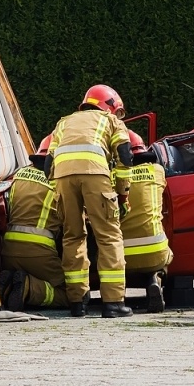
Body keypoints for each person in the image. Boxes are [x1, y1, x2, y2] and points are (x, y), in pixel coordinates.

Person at [48, 85, 135, 318]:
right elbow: (125, 158)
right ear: (109, 105)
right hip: (96, 174)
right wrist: (123, 194)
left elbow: (48, 164)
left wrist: (59, 191)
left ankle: (77, 302)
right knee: (108, 236)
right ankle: (113, 303)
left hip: (62, 178)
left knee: (72, 236)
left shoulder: (64, 122)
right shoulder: (111, 121)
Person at [0, 135, 67, 311]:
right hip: (40, 252)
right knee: (71, 294)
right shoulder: (59, 181)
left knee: (19, 278)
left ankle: (9, 288)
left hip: (9, 250)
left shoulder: (19, 175)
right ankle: (29, 287)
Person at [121, 131, 174, 312]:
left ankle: (118, 294)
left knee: (117, 262)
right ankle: (154, 280)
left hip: (121, 253)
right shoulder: (157, 171)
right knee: (165, 256)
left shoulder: (114, 176)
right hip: (155, 248)